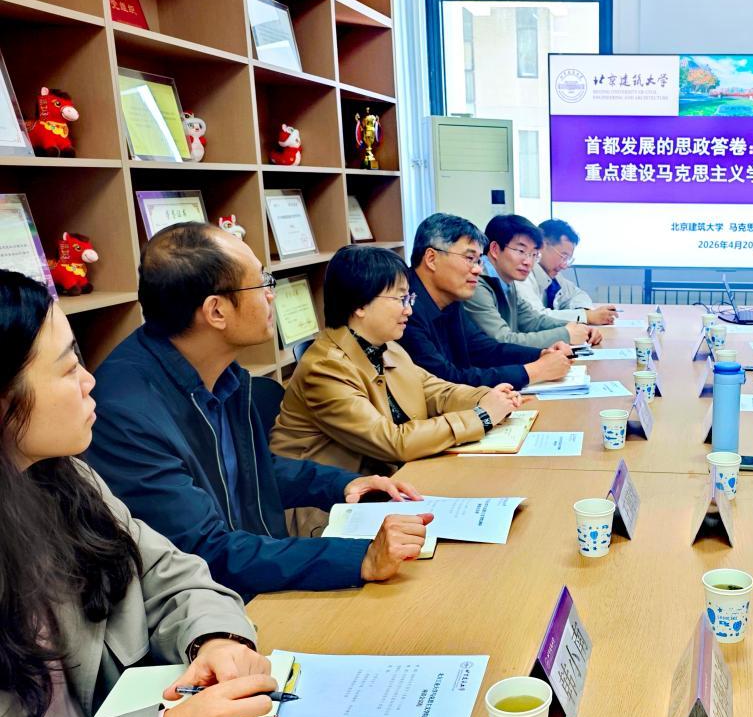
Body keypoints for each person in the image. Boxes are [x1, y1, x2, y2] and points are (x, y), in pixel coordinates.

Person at [0, 270, 279, 717]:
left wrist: (217, 639)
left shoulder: (67, 479)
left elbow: (170, 573)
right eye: (68, 369)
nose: (90, 381)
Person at [86, 223, 431, 599]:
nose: (272, 294)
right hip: (211, 606)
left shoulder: (222, 373)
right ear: (216, 311)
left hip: (256, 577)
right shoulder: (128, 414)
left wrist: (343, 485)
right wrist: (361, 557)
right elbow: (206, 552)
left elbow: (248, 472)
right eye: (262, 283)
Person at [271, 245, 525, 482]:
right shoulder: (324, 368)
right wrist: (481, 416)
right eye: (400, 299)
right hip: (334, 500)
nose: (409, 310)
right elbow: (392, 442)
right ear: (360, 304)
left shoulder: (387, 346)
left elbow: (437, 392)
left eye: (409, 299)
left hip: (388, 478)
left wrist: (488, 397)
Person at [401, 213, 572, 389]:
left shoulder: (451, 300)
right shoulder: (405, 308)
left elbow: (485, 349)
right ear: (431, 258)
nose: (477, 270)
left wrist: (541, 354)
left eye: (478, 261)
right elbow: (446, 380)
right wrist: (533, 371)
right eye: (469, 259)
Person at [465, 214, 602, 349]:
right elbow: (502, 341)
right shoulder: (476, 284)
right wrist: (566, 334)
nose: (528, 262)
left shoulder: (506, 280)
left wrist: (578, 328)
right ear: (495, 249)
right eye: (521, 251)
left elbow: (533, 320)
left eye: (534, 254)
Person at [512, 219, 618, 326]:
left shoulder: (554, 278)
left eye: (568, 259)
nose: (564, 266)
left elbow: (577, 294)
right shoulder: (522, 276)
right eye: (563, 256)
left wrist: (585, 311)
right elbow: (536, 318)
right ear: (542, 246)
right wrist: (586, 316)